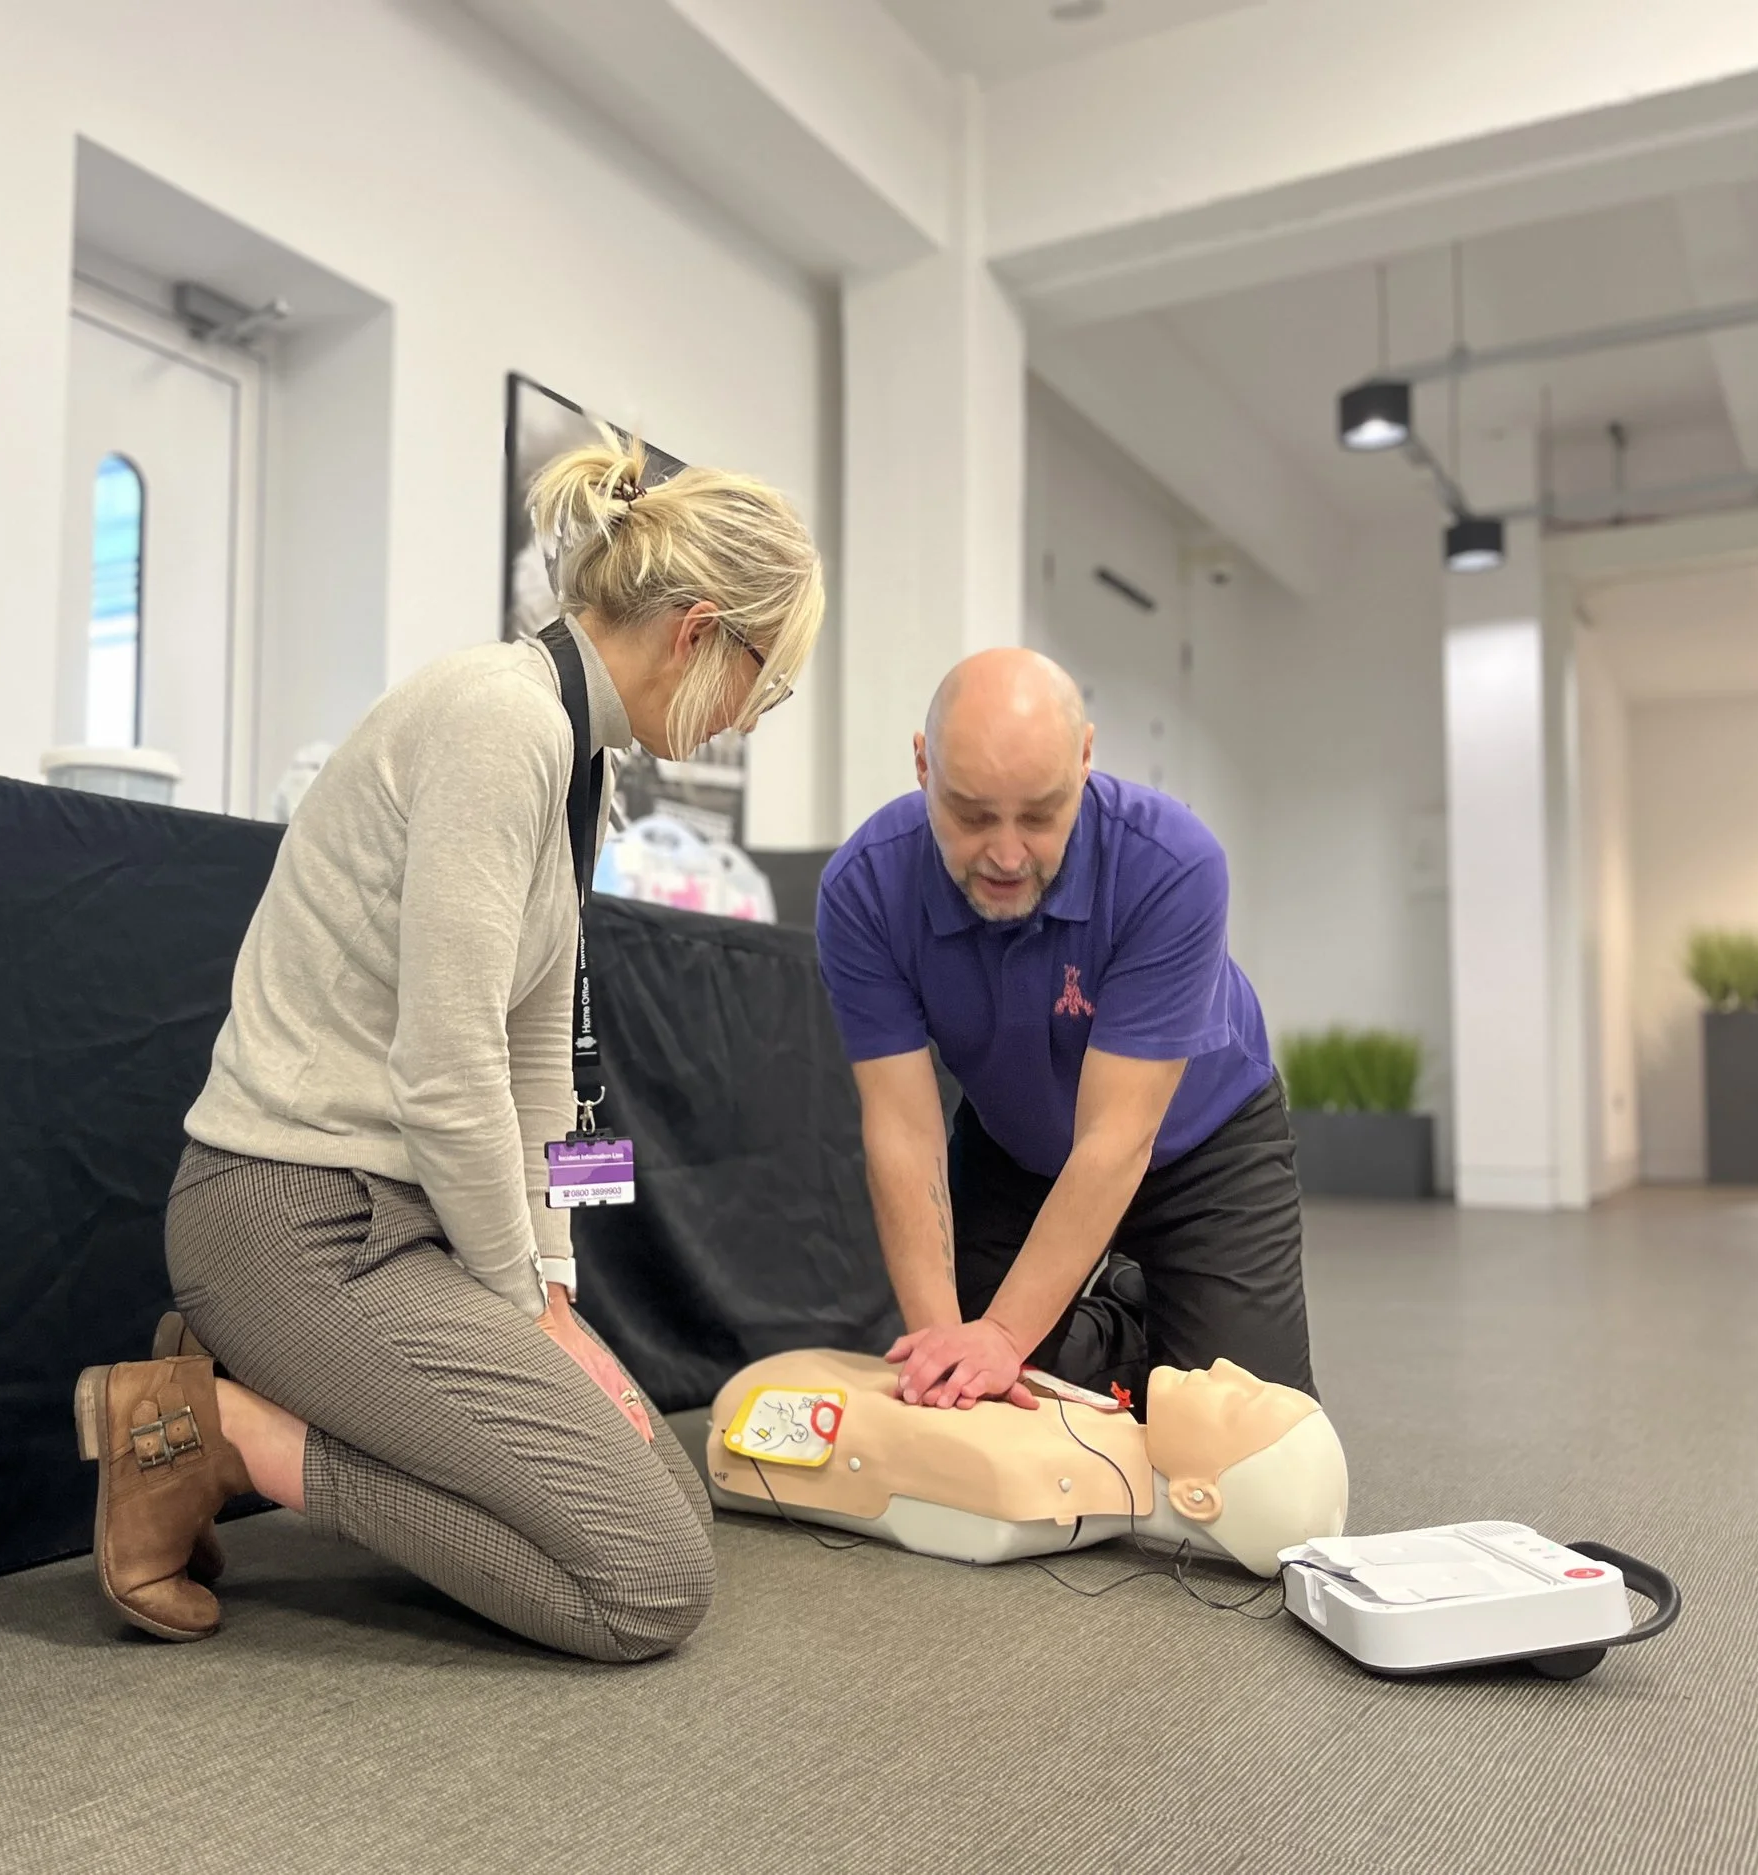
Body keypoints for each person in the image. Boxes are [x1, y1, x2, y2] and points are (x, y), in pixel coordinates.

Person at [74, 436, 825, 1658]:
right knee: (647, 1586)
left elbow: (536, 1064)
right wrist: (520, 1315)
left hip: (399, 1227)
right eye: (766, 681)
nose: (751, 715)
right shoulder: (500, 721)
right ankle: (216, 1434)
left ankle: (241, 1411)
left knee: (660, 1506)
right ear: (697, 634)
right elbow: (445, 1068)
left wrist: (555, 1293)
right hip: (292, 1221)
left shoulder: (577, 755)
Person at [815, 648, 1315, 1418]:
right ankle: (1116, 1319)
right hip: (1014, 1147)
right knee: (986, 1396)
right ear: (923, 767)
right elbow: (904, 1130)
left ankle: (1148, 1310)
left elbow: (1117, 1138)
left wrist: (1005, 1331)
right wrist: (948, 1350)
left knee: (1253, 1446)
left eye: (1040, 815)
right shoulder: (865, 889)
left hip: (1202, 1143)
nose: (1007, 855)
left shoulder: (1173, 864)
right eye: (973, 815)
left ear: (1085, 760)